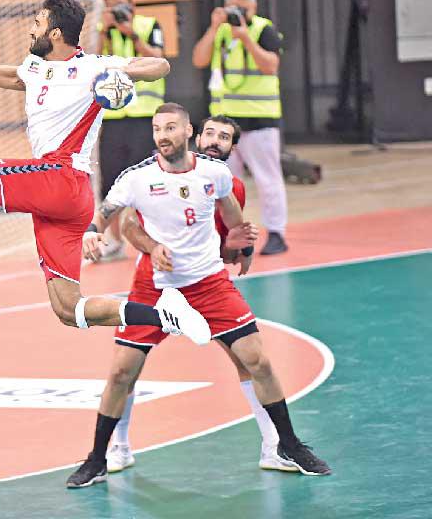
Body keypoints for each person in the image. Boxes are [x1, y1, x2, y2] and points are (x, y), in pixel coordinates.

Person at [0, 0, 209, 344]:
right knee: (69, 309)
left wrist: (120, 72)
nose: (31, 30)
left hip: (61, 174)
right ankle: (165, 315)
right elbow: (14, 77)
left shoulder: (92, 67)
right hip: (66, 198)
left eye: (37, 23)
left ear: (55, 33)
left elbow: (159, 66)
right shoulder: (34, 66)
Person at [66, 104, 330, 488]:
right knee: (122, 371)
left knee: (257, 360)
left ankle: (288, 446)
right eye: (157, 129)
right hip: (155, 288)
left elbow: (233, 215)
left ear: (188, 131)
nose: (162, 135)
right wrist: (93, 231)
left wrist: (244, 245)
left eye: (170, 128)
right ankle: (98, 459)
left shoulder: (215, 174)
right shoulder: (137, 178)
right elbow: (107, 214)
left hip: (209, 284)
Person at [192, 0, 289, 255]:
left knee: (267, 179)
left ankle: (276, 233)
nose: (238, 13)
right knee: (224, 183)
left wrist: (246, 38)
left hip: (260, 120)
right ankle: (225, 235)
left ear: (254, 7)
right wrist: (213, 27)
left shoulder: (263, 29)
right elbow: (199, 59)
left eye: (243, 8)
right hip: (225, 123)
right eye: (233, 7)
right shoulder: (220, 31)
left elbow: (271, 66)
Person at [94, 0, 167, 258]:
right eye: (112, 7)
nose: (118, 12)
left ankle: (152, 238)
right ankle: (114, 241)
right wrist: (105, 31)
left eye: (122, 6)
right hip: (113, 117)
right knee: (110, 183)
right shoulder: (104, 31)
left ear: (132, 4)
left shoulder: (148, 26)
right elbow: (93, 63)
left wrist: (132, 35)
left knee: (146, 183)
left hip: (144, 117)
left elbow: (158, 60)